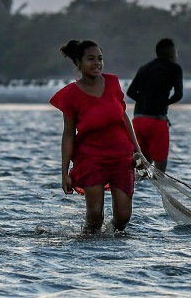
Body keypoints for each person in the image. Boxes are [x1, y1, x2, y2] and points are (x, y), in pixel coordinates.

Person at [50, 40, 149, 234]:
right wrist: (64, 172)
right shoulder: (70, 94)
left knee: (123, 217)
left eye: (100, 59)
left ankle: (110, 239)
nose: (97, 63)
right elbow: (68, 134)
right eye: (91, 59)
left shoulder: (112, 82)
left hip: (121, 157)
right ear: (78, 63)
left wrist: (138, 152)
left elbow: (123, 117)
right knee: (94, 217)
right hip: (91, 159)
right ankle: (89, 250)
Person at [127, 38, 183, 172]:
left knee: (142, 164)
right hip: (157, 121)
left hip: (139, 119)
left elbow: (130, 92)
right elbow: (178, 94)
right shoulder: (174, 68)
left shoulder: (144, 68)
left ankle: (133, 187)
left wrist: (144, 101)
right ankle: (159, 191)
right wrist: (164, 103)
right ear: (172, 53)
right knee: (160, 168)